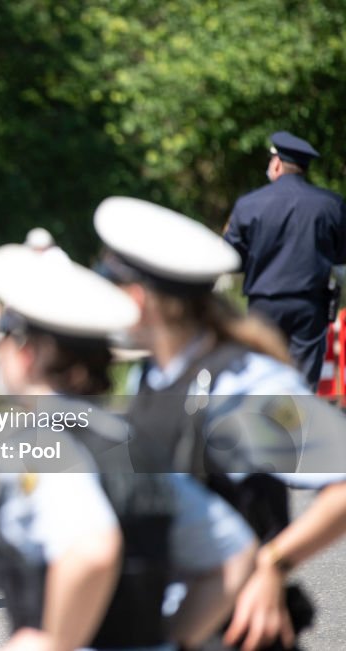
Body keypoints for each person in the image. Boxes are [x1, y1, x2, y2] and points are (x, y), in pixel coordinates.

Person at [95, 196, 346, 651]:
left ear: (137, 297)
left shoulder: (241, 385)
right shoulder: (150, 375)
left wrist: (274, 564)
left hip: (233, 633)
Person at [0, 244, 256, 651]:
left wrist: (54, 643)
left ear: (27, 353)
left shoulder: (44, 444)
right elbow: (234, 554)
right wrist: (177, 640)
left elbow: (93, 550)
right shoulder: (128, 437)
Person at [223, 131, 346, 389]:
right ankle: (299, 428)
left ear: (277, 163)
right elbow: (340, 254)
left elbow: (231, 259)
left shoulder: (249, 204)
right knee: (303, 383)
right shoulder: (331, 205)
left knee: (261, 377)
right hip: (310, 305)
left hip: (264, 305)